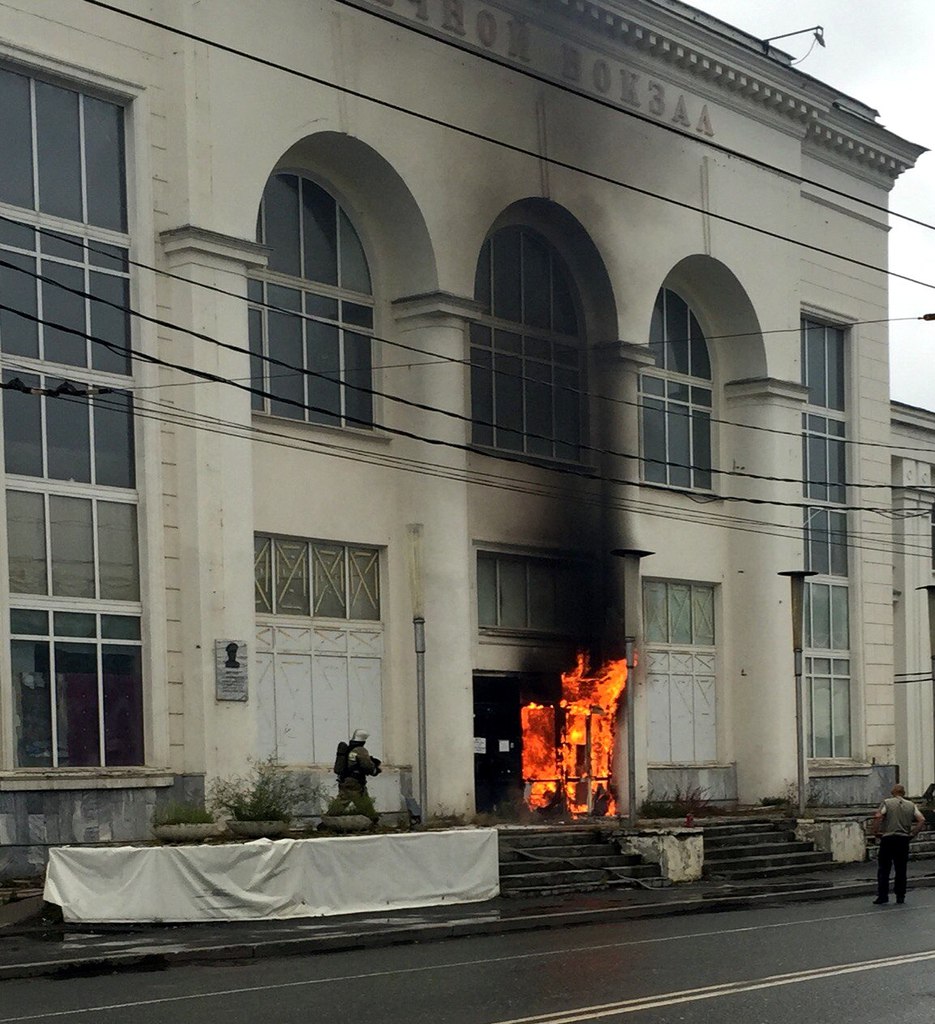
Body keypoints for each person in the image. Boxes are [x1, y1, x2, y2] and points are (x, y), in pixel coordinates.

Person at [871, 783, 925, 905]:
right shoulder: (911, 805)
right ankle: (900, 895)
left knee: (884, 869)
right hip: (903, 839)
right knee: (901, 869)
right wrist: (912, 833)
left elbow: (878, 816)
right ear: (903, 793)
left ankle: (883, 895)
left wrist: (875, 832)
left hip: (888, 839)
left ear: (893, 792)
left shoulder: (887, 802)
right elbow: (921, 819)